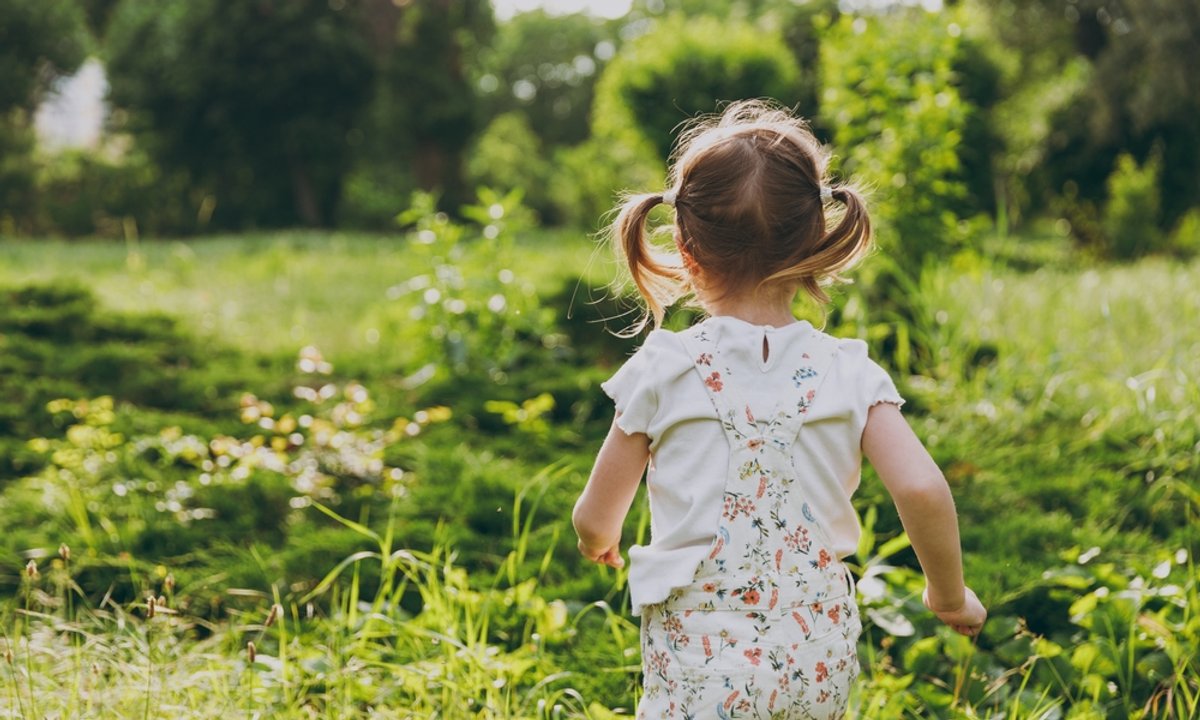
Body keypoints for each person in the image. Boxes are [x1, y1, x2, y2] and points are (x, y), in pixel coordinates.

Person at [572, 100, 986, 719]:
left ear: (684, 247)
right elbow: (922, 488)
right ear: (816, 240)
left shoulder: (665, 368)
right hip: (814, 657)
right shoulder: (849, 371)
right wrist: (947, 596)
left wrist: (598, 540)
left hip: (700, 664)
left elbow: (595, 514)